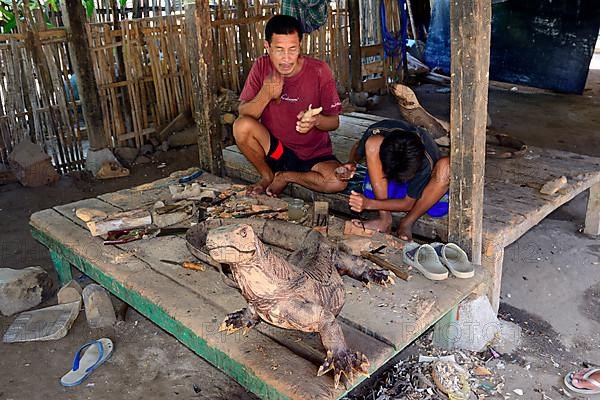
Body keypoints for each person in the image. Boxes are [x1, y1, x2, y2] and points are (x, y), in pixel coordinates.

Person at [233, 15, 345, 196]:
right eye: (279, 49)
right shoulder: (261, 66)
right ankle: (267, 176)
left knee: (337, 182)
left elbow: (334, 122)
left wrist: (315, 121)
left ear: (300, 45)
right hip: (277, 152)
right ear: (267, 47)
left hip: (313, 157)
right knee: (241, 126)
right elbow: (243, 112)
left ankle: (286, 176)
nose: (286, 58)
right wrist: (266, 94)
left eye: (292, 49)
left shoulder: (319, 70)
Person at [344, 119, 450, 241]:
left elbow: (408, 204)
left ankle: (407, 222)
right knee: (373, 143)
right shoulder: (378, 131)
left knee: (445, 167)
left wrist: (369, 204)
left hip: (421, 193)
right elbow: (358, 147)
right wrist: (352, 162)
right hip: (388, 185)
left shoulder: (426, 161)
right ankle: (384, 219)